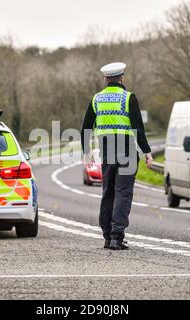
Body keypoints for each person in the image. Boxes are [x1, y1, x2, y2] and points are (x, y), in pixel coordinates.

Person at [81, 62, 153, 251]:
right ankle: (116, 237)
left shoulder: (97, 99)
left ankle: (107, 236)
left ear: (105, 79)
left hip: (106, 151)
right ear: (122, 78)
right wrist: (147, 152)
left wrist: (86, 152)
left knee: (108, 192)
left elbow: (86, 128)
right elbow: (138, 128)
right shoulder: (129, 98)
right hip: (127, 150)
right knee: (123, 193)